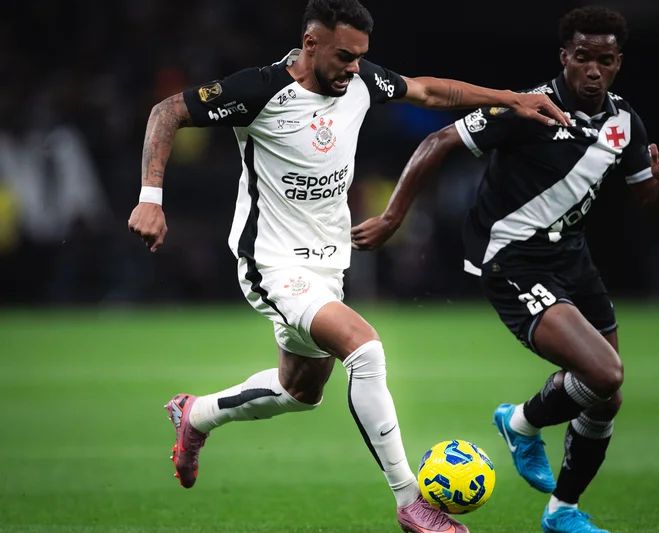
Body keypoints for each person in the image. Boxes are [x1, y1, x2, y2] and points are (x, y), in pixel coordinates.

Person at [127, 1, 569, 532]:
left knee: (299, 392)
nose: (353, 68)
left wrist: (511, 99)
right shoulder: (259, 90)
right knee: (365, 347)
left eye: (361, 57)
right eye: (343, 56)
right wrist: (151, 197)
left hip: (328, 263)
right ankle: (411, 502)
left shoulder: (358, 81)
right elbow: (167, 111)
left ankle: (195, 415)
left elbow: (429, 91)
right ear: (311, 44)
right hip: (269, 261)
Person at [351, 6, 659, 533]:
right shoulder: (528, 108)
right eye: (582, 58)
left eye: (605, 60)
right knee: (604, 374)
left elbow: (648, 200)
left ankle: (562, 511)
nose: (593, 70)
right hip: (510, 258)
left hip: (572, 258)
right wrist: (394, 216)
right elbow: (438, 142)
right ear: (564, 58)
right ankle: (523, 423)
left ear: (619, 62)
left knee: (607, 396)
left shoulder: (625, 122)